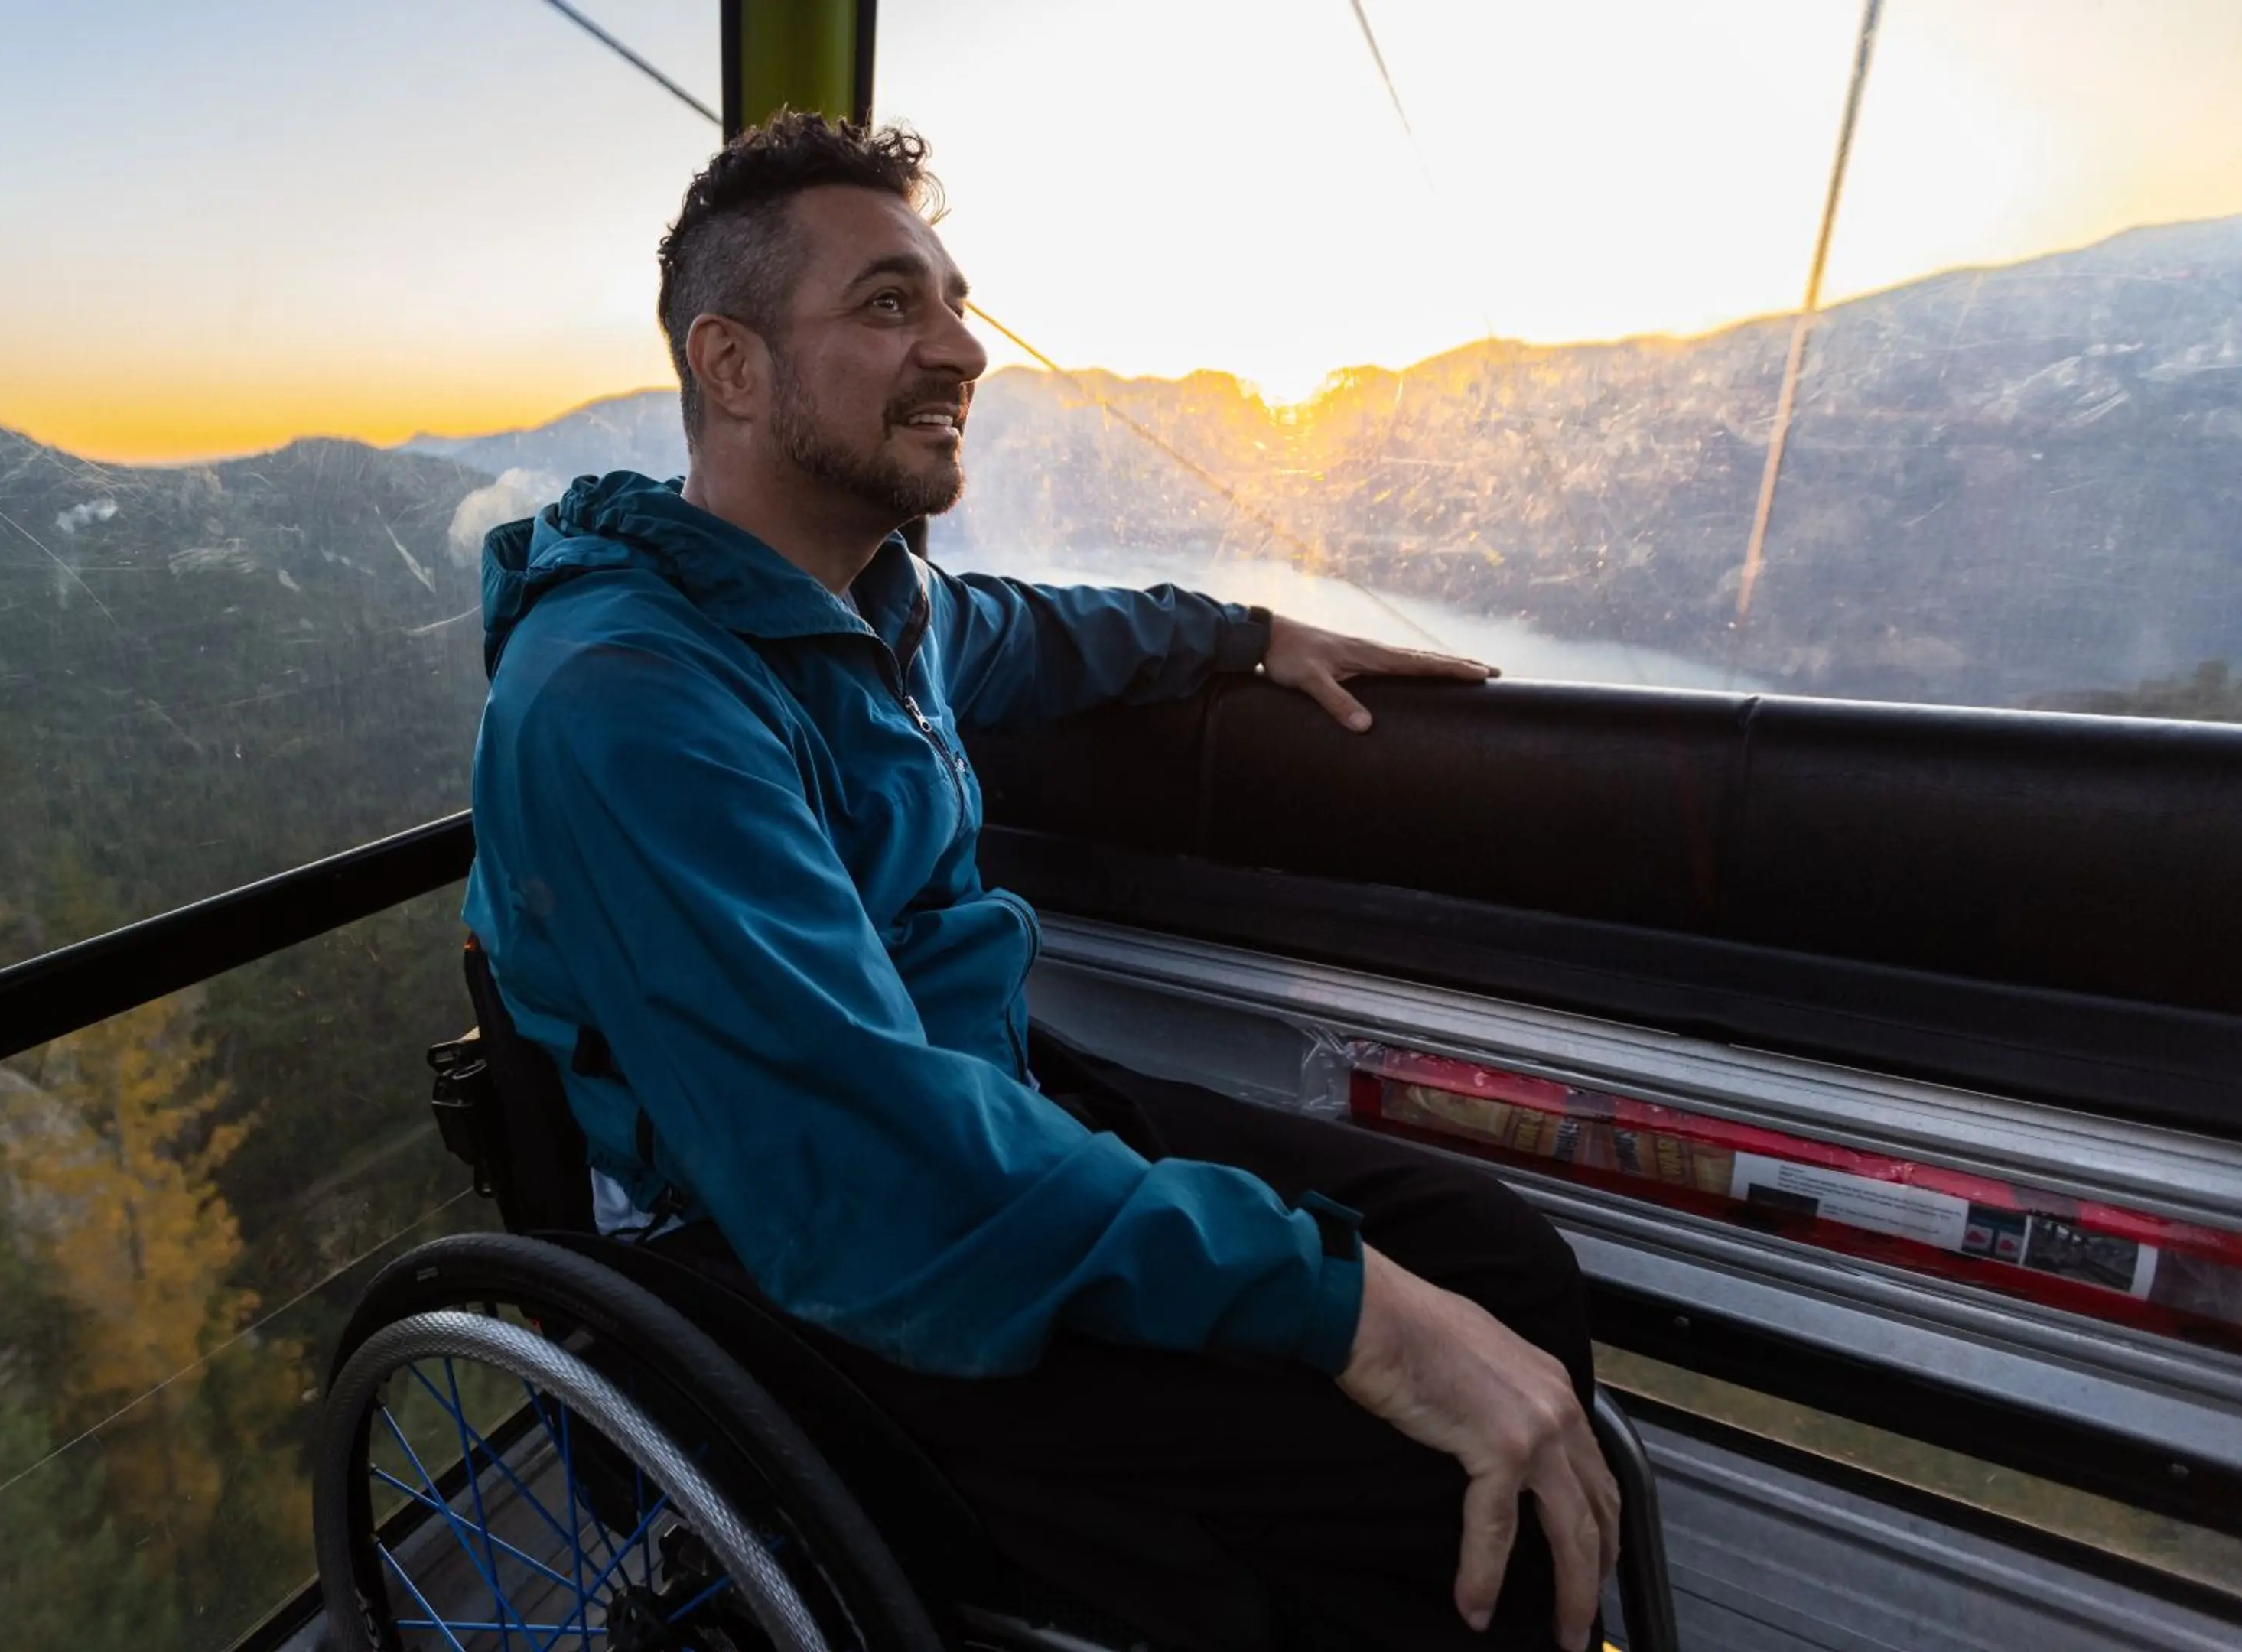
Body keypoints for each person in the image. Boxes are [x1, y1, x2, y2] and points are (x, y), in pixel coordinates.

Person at [464, 115, 1619, 1652]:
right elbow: (862, 1173)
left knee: (1500, 1261)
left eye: (952, 301)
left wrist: (1248, 637)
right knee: (1395, 1474)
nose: (961, 349)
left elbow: (1027, 630)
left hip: (968, 1111)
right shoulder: (626, 703)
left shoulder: (865, 605)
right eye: (890, 305)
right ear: (733, 368)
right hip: (799, 1251)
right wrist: (1355, 1313)